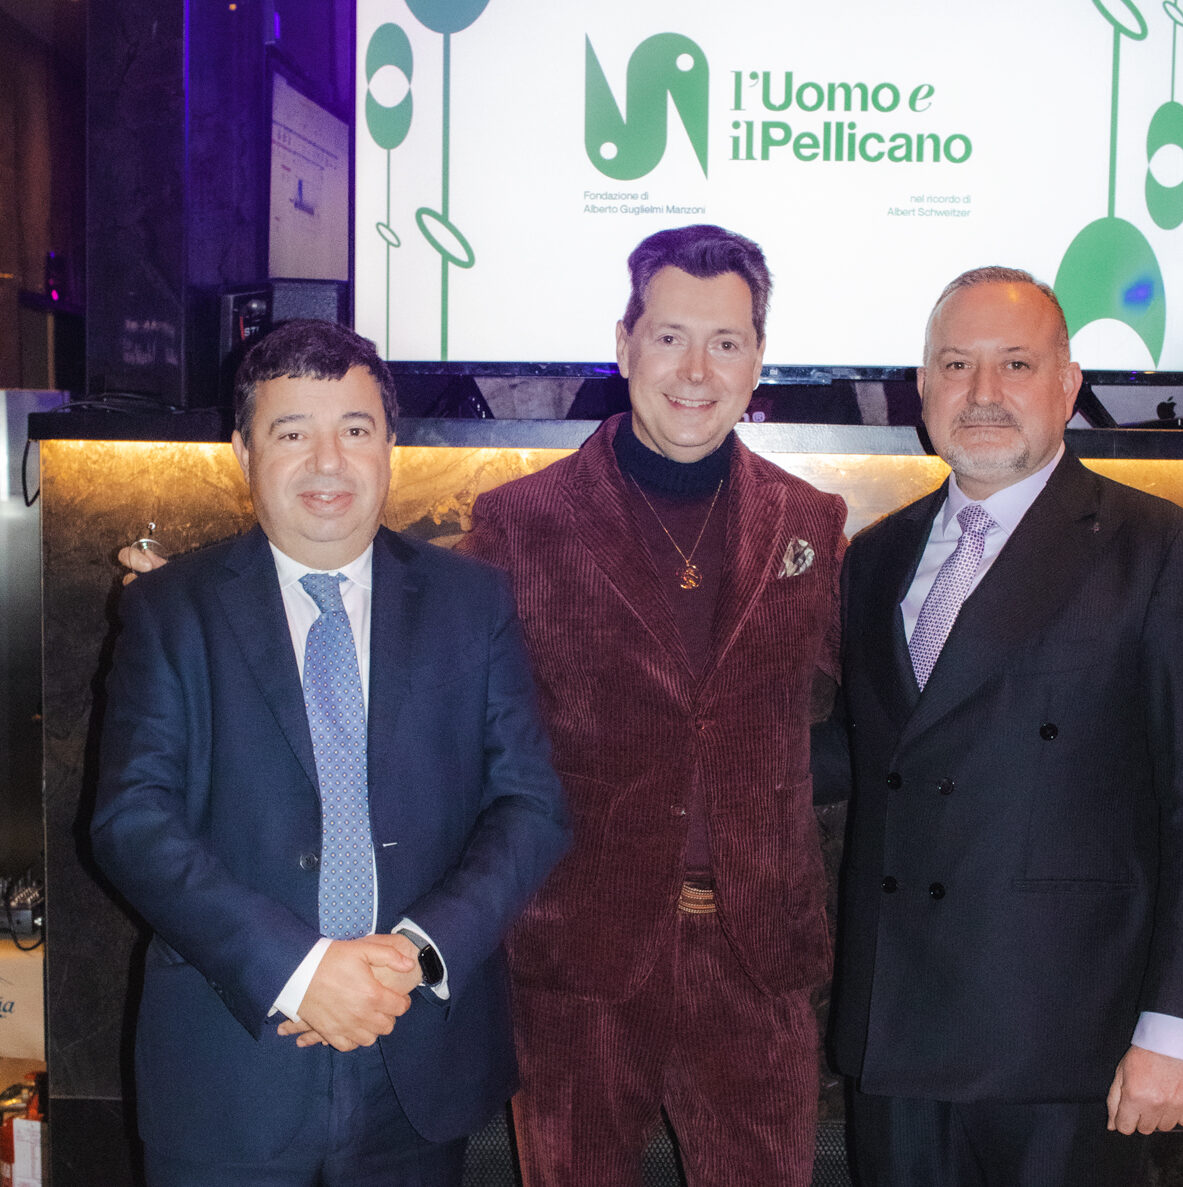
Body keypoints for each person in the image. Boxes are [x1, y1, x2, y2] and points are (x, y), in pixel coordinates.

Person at [92, 320, 569, 1186]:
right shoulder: (171, 610)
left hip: (416, 1054)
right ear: (243, 452)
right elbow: (132, 820)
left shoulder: (473, 603)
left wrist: (414, 955)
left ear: (390, 444)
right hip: (230, 1063)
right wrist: (301, 970)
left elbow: (530, 804)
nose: (328, 461)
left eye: (354, 428)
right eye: (292, 433)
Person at [458, 225, 847, 1185]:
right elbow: (460, 724)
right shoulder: (520, 524)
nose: (696, 370)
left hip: (757, 957)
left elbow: (859, 711)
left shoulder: (811, 523)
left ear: (758, 358)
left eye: (726, 342)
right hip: (579, 960)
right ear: (624, 343)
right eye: (670, 336)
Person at [827, 267, 1183, 1186]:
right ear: (923, 388)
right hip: (895, 1033)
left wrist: (1180, 1026)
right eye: (957, 364)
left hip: (1070, 1046)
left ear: (1068, 385)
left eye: (1016, 364)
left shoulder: (1162, 550)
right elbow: (867, 754)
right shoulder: (876, 555)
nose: (984, 392)